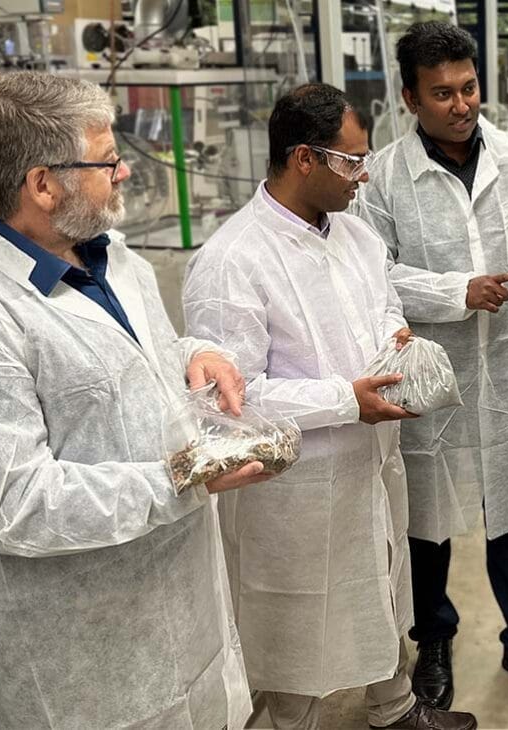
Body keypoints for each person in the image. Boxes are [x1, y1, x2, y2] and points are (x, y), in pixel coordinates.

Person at [0, 71, 267, 728]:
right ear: (42, 185)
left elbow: (132, 357)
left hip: (184, 603)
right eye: (106, 162)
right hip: (83, 657)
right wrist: (181, 478)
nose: (124, 173)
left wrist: (193, 353)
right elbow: (11, 506)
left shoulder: (108, 256)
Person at [183, 84, 477, 730]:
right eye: (350, 161)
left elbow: (385, 307)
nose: (362, 175)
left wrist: (398, 342)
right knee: (296, 626)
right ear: (303, 159)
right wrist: (345, 401)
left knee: (378, 586)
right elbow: (231, 399)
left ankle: (395, 707)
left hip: (369, 464)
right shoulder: (232, 261)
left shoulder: (355, 235)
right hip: (293, 492)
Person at [356, 20, 508, 712]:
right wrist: (455, 291)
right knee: (427, 519)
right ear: (410, 98)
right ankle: (432, 639)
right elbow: (371, 275)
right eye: (442, 94)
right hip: (433, 372)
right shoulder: (384, 178)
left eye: (468, 88)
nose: (461, 104)